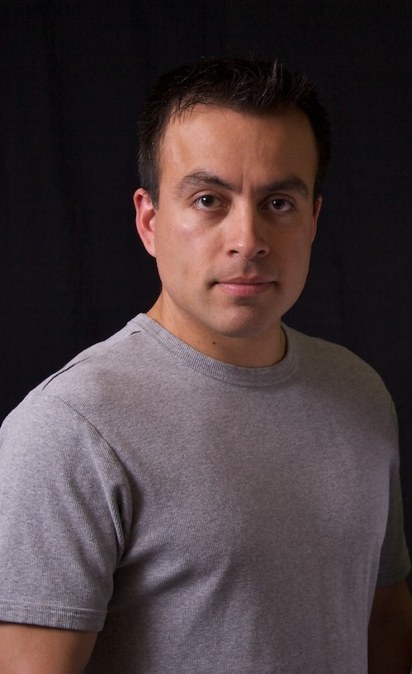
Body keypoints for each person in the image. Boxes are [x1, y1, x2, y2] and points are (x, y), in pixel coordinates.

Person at [0, 57, 411, 674]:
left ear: (314, 221)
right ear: (150, 222)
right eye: (208, 200)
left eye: (279, 202)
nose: (248, 239)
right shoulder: (68, 430)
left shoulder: (359, 392)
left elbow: (385, 622)